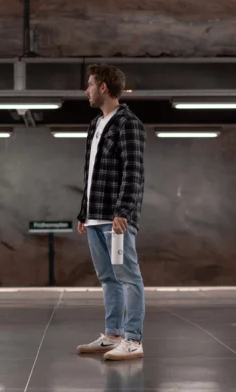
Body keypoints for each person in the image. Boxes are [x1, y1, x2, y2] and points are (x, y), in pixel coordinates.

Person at [74, 64, 146, 361]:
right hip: (95, 217)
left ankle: (133, 339)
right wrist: (83, 212)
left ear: (103, 87)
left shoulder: (128, 123)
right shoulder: (95, 124)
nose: (86, 90)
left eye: (90, 85)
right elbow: (90, 173)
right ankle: (113, 335)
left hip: (116, 218)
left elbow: (134, 170)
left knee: (128, 277)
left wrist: (123, 210)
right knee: (108, 278)